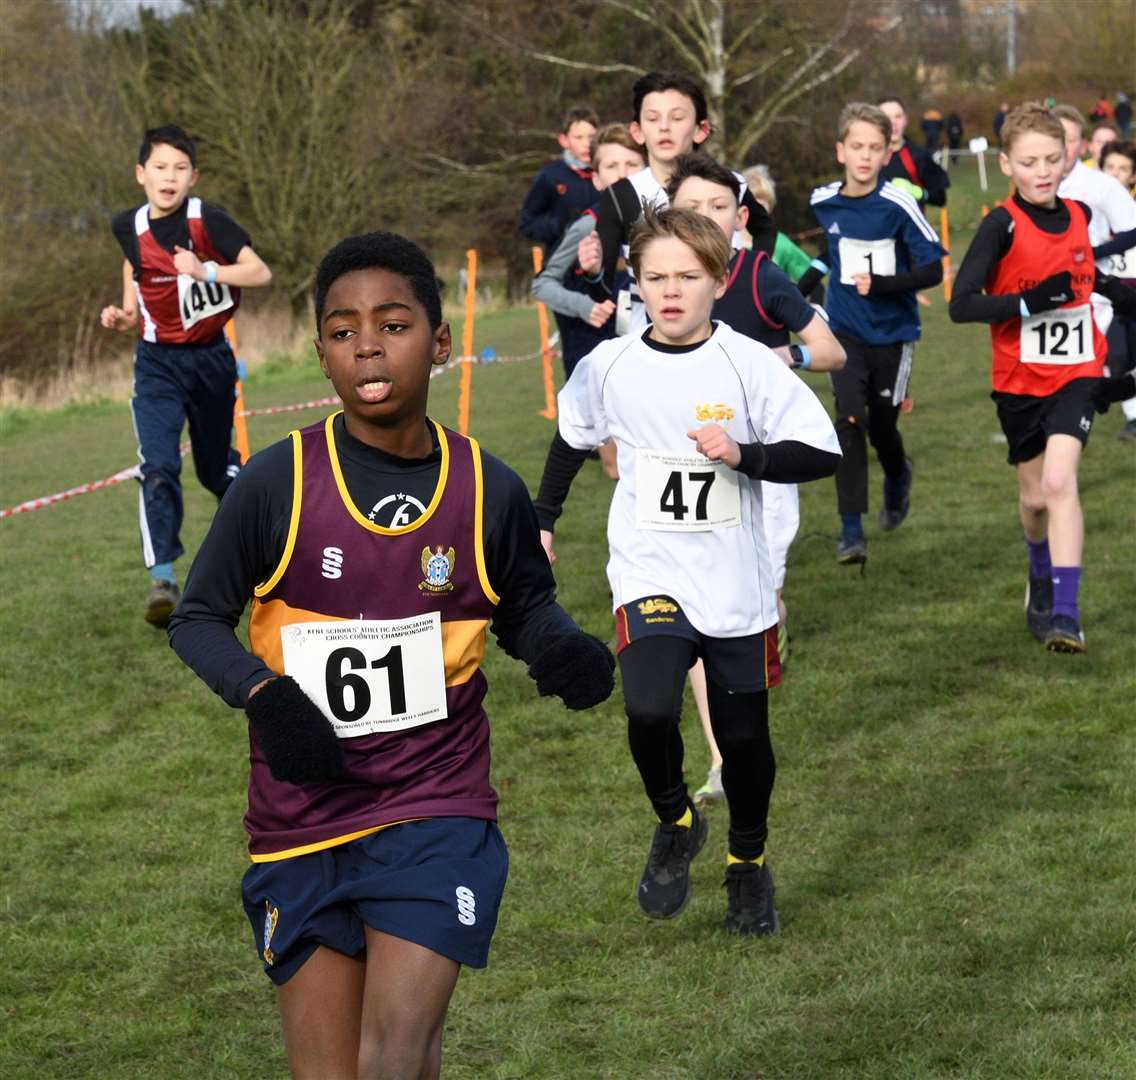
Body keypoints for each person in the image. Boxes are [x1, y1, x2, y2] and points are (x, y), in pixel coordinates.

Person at [167, 231, 615, 1078]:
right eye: (343, 331)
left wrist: (559, 647)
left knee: (394, 1058)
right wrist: (265, 695)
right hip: (300, 819)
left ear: (439, 342)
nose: (368, 344)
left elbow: (522, 603)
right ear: (323, 356)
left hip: (434, 802)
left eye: (393, 323)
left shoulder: (490, 486)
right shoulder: (276, 482)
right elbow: (196, 619)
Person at [534, 206, 840, 935]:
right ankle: (674, 818)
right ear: (636, 283)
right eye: (655, 278)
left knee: (743, 741)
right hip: (650, 569)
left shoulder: (748, 364)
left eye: (688, 277)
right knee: (646, 706)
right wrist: (543, 520)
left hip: (735, 582)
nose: (670, 292)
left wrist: (746, 455)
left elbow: (821, 451)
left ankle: (747, 863)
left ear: (720, 278)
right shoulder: (608, 365)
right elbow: (570, 438)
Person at [665, 153, 846, 801]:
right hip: (690, 473)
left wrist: (784, 353)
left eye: (718, 207)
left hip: (766, 467)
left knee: (753, 596)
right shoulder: (661, 286)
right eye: (691, 207)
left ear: (740, 219)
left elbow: (831, 350)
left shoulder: (762, 277)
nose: (704, 218)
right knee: (696, 609)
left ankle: (772, 613)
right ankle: (720, 758)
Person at [949, 103, 1136, 651]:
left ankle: (1066, 614)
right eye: (1030, 162)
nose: (1042, 171)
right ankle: (1038, 568)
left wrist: (1120, 296)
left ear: (1069, 156)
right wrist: (1028, 303)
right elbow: (961, 306)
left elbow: (1087, 279)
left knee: (1059, 483)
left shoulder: (1078, 213)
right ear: (1007, 164)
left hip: (1077, 371)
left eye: (1053, 159)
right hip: (1018, 379)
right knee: (1033, 501)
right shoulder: (1000, 225)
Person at [99, 124, 272, 628]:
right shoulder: (126, 226)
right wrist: (128, 315)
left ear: (192, 176)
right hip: (156, 362)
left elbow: (260, 273)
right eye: (159, 167)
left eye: (179, 168)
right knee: (157, 465)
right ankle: (162, 577)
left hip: (210, 360)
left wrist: (208, 272)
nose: (168, 177)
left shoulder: (208, 221)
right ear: (140, 174)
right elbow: (134, 266)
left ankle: (266, 537)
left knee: (215, 473)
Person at [797, 103, 946, 565]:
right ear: (841, 150)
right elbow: (833, 248)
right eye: (856, 147)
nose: (864, 156)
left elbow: (932, 269)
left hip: (893, 333)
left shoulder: (898, 204)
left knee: (882, 424)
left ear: (887, 152)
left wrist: (884, 285)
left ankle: (898, 473)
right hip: (843, 333)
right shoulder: (823, 201)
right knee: (849, 422)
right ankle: (850, 530)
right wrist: (800, 288)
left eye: (874, 148)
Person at [578, 70, 777, 334]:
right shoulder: (621, 195)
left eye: (677, 117)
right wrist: (593, 272)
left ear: (700, 129)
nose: (664, 127)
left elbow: (766, 230)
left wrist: (755, 282)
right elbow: (601, 291)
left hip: (730, 332)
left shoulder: (732, 184)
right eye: (652, 118)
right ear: (637, 131)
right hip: (652, 340)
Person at [530, 123, 645, 380]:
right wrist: (583, 305)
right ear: (597, 178)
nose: (623, 175)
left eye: (632, 164)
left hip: (649, 353)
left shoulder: (664, 224)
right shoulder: (588, 226)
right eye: (612, 167)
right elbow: (542, 284)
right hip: (594, 356)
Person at [1055, 106, 1136, 440]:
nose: (1062, 147)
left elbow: (1132, 230)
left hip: (1099, 291)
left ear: (1083, 144)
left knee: (1115, 360)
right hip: (1050, 293)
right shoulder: (1034, 182)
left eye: (1070, 139)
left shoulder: (1099, 185)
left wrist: (1092, 253)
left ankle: (1124, 410)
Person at [1095, 140, 1136, 439]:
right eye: (1110, 167)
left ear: (1133, 176)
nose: (1115, 174)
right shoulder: (1089, 210)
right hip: (1099, 294)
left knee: (1124, 353)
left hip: (1130, 291)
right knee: (1115, 353)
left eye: (1123, 169)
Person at [518, 105, 599, 252]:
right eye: (579, 137)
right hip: (563, 263)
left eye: (591, 137)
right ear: (564, 140)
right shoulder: (550, 176)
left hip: (602, 264)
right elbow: (527, 222)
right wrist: (558, 227)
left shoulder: (609, 173)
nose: (587, 144)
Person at [879, 96, 950, 209]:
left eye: (898, 116)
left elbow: (940, 198)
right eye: (886, 118)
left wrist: (918, 193)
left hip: (909, 225)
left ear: (905, 120)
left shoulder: (920, 155)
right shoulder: (866, 157)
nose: (893, 123)